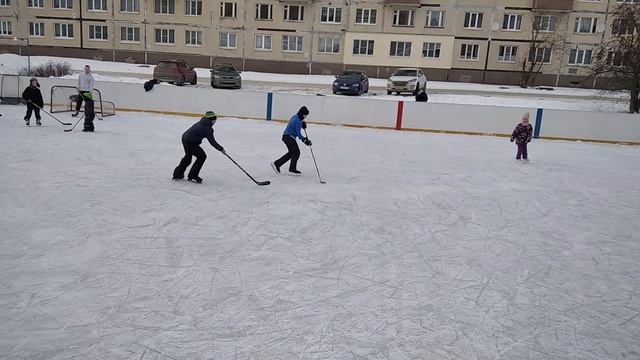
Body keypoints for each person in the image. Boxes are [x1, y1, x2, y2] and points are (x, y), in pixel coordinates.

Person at [173, 111, 225, 183]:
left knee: (188, 157)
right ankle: (193, 176)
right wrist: (221, 149)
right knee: (202, 156)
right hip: (191, 142)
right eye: (214, 119)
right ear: (211, 120)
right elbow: (212, 142)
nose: (215, 121)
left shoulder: (203, 122)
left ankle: (177, 174)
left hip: (185, 138)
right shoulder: (207, 128)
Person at [271, 106, 312, 175]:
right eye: (305, 115)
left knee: (292, 153)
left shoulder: (295, 117)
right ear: (302, 114)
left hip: (286, 137)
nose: (305, 117)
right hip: (289, 137)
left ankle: (277, 164)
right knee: (296, 153)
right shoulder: (297, 121)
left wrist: (302, 123)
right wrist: (305, 140)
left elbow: (296, 125)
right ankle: (292, 168)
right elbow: (298, 134)